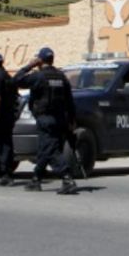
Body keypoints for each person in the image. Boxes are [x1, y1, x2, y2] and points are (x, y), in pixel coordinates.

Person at [13, 47, 77, 194]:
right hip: (60, 119)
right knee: (44, 149)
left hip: (45, 118)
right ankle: (36, 179)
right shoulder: (61, 76)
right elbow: (70, 101)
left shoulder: (39, 76)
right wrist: (72, 120)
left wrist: (29, 66)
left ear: (40, 60)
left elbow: (16, 80)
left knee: (51, 149)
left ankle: (67, 178)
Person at [0, 52, 17, 186]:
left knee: (3, 144)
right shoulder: (7, 75)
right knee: (7, 143)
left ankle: (6, 174)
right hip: (9, 115)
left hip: (1, 115)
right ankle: (7, 172)